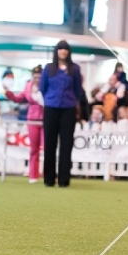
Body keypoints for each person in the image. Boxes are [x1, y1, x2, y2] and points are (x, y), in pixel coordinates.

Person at [40, 40, 82, 188]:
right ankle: (48, 179)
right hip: (51, 108)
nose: (63, 51)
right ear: (56, 51)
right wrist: (50, 99)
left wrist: (70, 101)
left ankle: (64, 180)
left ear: (69, 52)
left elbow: (78, 90)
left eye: (65, 49)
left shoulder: (75, 69)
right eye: (60, 49)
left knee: (66, 145)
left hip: (68, 109)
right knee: (49, 144)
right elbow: (42, 88)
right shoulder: (49, 68)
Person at [4, 65, 44, 183]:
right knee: (33, 149)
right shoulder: (28, 86)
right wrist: (9, 94)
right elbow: (18, 98)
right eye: (35, 76)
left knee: (47, 148)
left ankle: (48, 173)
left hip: (46, 120)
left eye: (39, 77)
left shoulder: (47, 86)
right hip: (32, 120)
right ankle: (33, 175)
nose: (37, 79)